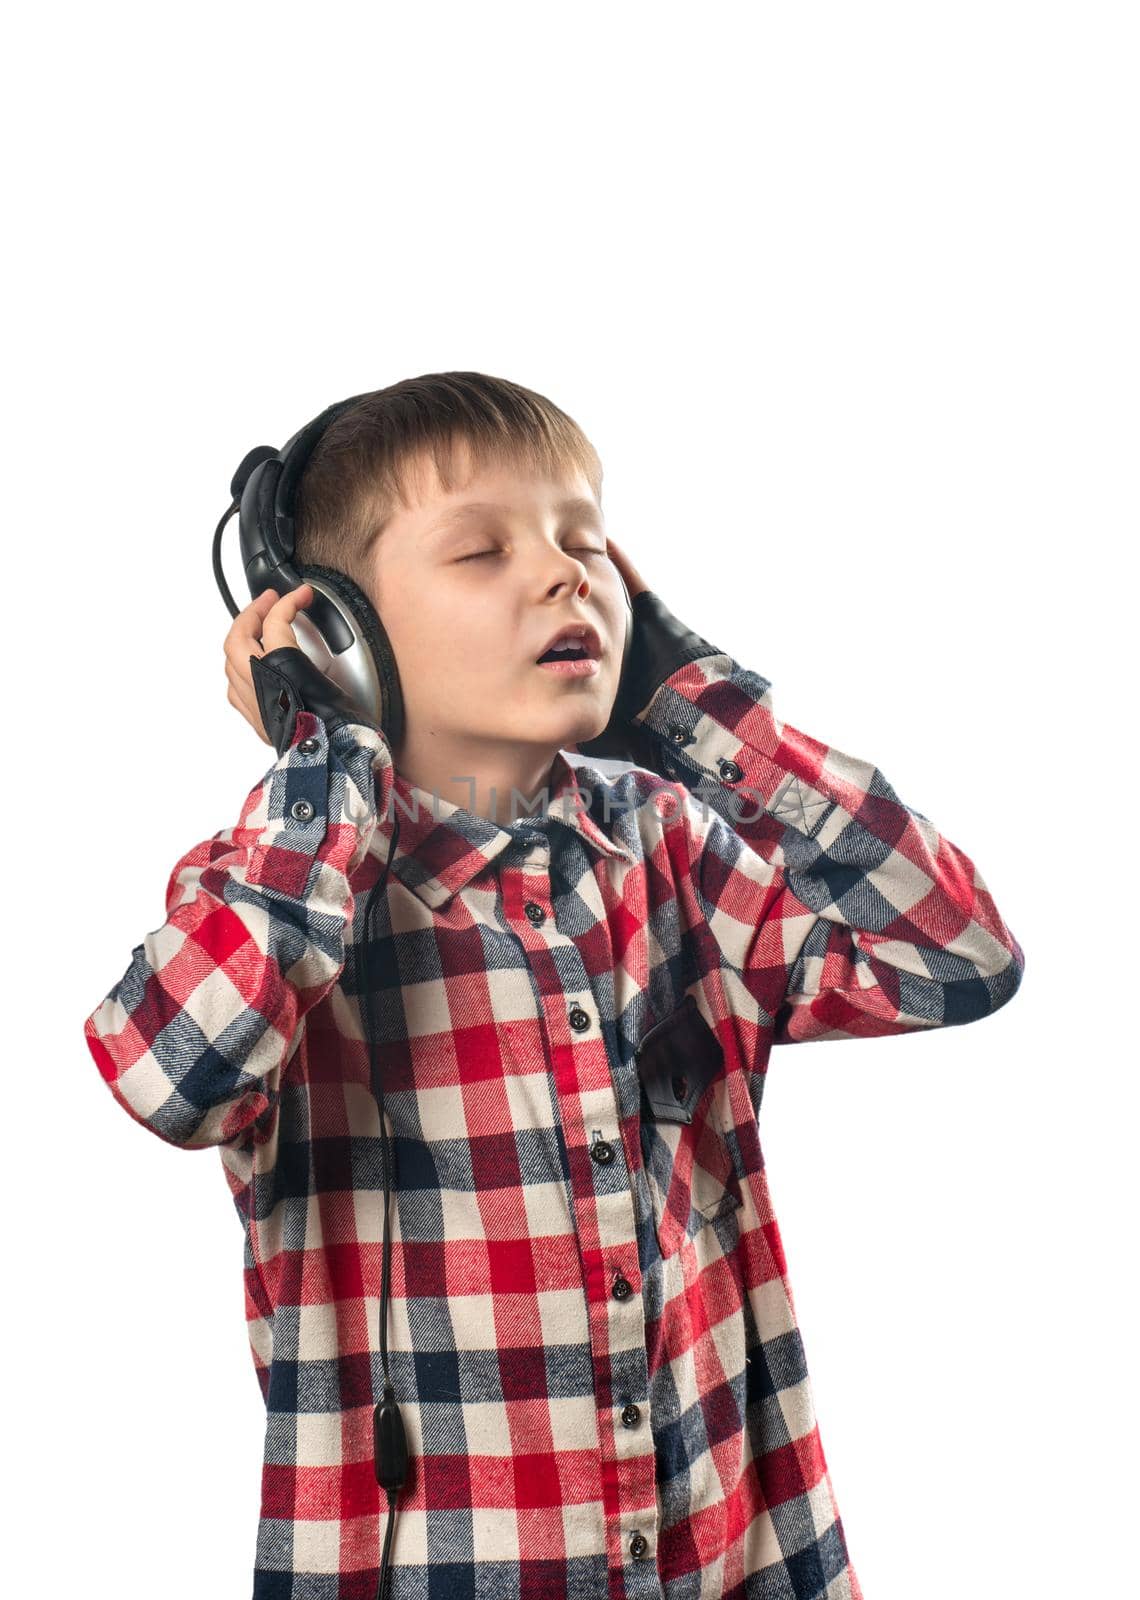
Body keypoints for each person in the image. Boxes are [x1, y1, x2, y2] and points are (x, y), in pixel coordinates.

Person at [83, 372, 1026, 1600]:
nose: (564, 573)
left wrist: (701, 713)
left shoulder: (672, 853)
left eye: (587, 542)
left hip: (732, 1559)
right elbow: (171, 1074)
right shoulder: (279, 886)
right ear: (338, 635)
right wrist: (325, 762)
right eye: (480, 549)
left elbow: (958, 953)